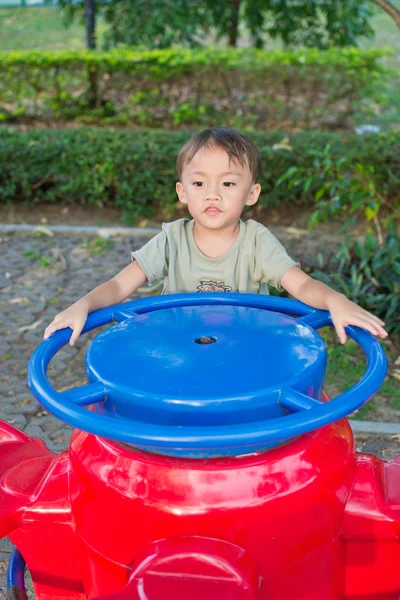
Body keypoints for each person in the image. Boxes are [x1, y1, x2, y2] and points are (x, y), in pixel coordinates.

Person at [44, 126, 387, 347]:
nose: (212, 194)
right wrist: (82, 305)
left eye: (227, 183)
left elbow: (302, 285)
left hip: (244, 348)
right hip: (179, 347)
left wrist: (335, 301)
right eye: (199, 183)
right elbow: (119, 286)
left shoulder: (256, 242)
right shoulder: (171, 240)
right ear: (182, 192)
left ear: (251, 194)